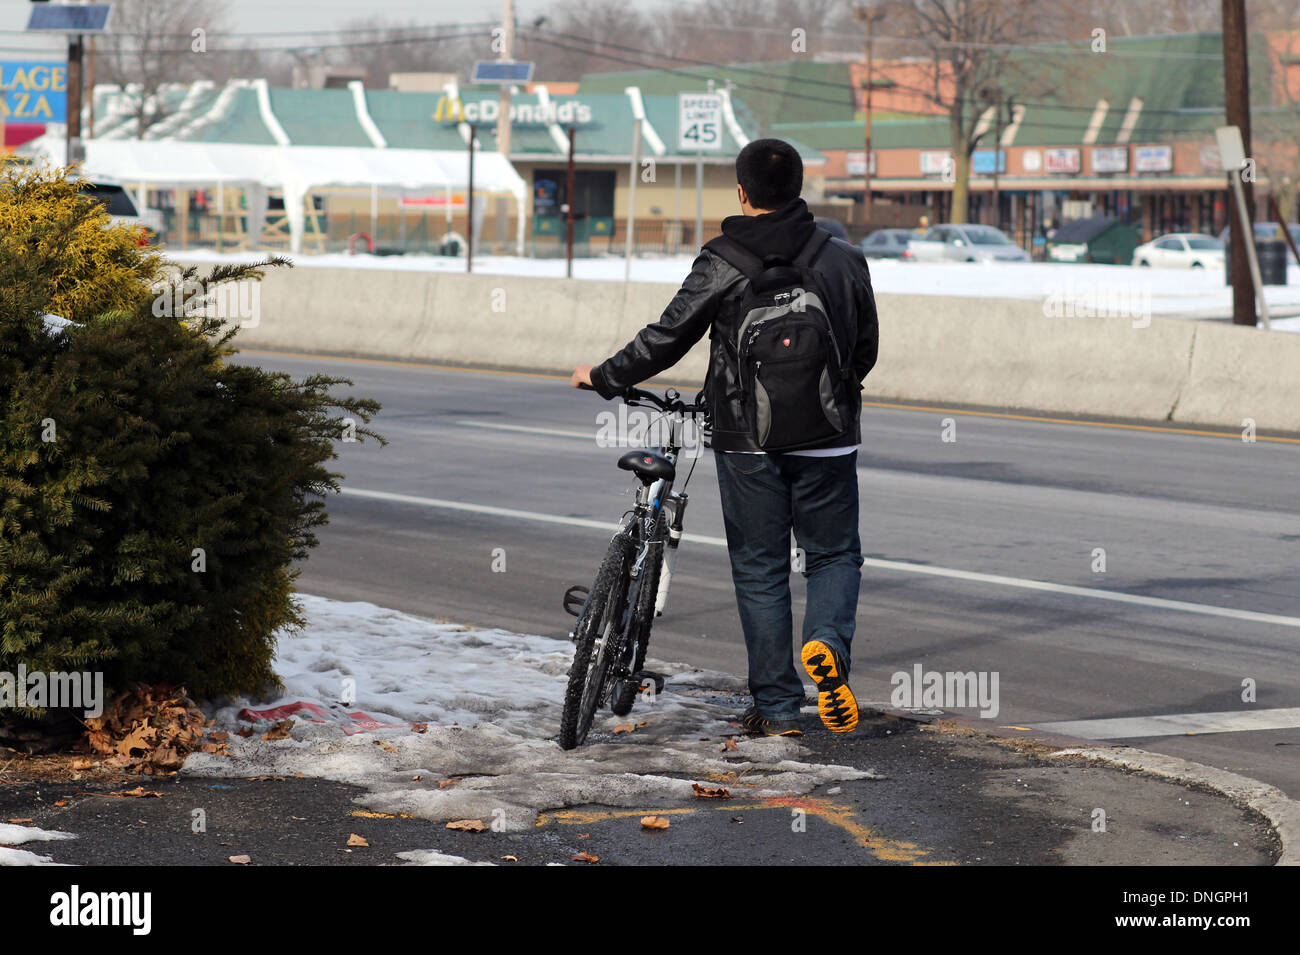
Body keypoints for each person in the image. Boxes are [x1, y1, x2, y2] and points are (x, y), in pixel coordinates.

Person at [570, 138, 879, 737]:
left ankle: (778, 708)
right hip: (830, 438)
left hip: (748, 441)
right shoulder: (844, 259)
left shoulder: (724, 259)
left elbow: (668, 336)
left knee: (760, 568)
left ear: (741, 192)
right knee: (834, 554)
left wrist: (605, 377)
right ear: (798, 187)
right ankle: (826, 646)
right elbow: (864, 351)